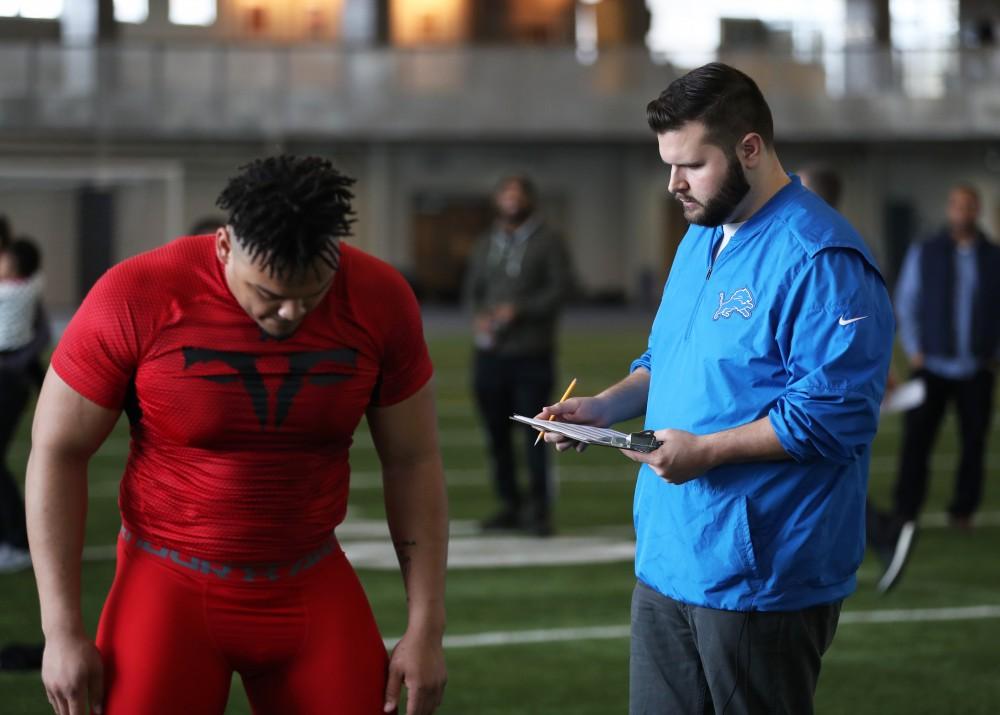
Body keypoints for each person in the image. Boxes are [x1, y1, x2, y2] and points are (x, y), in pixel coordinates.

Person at [26, 156, 448, 715]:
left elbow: (413, 461)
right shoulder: (139, 293)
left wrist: (426, 629)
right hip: (166, 581)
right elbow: (58, 451)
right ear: (224, 246)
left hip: (310, 578)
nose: (293, 312)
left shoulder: (378, 297)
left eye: (314, 291)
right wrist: (60, 631)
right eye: (269, 295)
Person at [539, 63, 894, 714]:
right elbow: (667, 359)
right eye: (667, 164)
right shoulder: (700, 237)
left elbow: (834, 417)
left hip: (763, 570)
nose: (672, 184)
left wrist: (706, 451)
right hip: (670, 552)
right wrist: (603, 407)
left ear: (750, 149)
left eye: (691, 165)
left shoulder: (823, 259)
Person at [799, 166, 917, 594]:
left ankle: (885, 529)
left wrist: (882, 371)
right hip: (835, 380)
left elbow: (861, 320)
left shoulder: (832, 248)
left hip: (831, 387)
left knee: (822, 467)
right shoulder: (836, 241)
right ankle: (884, 530)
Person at [463, 175, 573, 536]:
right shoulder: (485, 243)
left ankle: (539, 510)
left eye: (517, 194)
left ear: (529, 199)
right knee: (496, 435)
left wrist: (520, 310)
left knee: (536, 435)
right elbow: (472, 290)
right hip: (491, 354)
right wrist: (480, 315)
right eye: (505, 194)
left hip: (531, 353)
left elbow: (561, 289)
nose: (510, 200)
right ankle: (509, 504)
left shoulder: (548, 241)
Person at [889, 184, 1000, 535]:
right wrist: (914, 349)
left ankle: (962, 512)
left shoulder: (993, 256)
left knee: (974, 444)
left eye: (969, 206)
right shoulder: (926, 251)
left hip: (977, 367)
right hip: (932, 365)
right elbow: (907, 303)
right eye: (957, 206)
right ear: (949, 209)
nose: (962, 212)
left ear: (977, 210)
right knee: (916, 442)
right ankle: (905, 511)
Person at [0, 236, 48, 574]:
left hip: (7, 380)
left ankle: (17, 541)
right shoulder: (28, 286)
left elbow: (38, 339)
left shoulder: (15, 291)